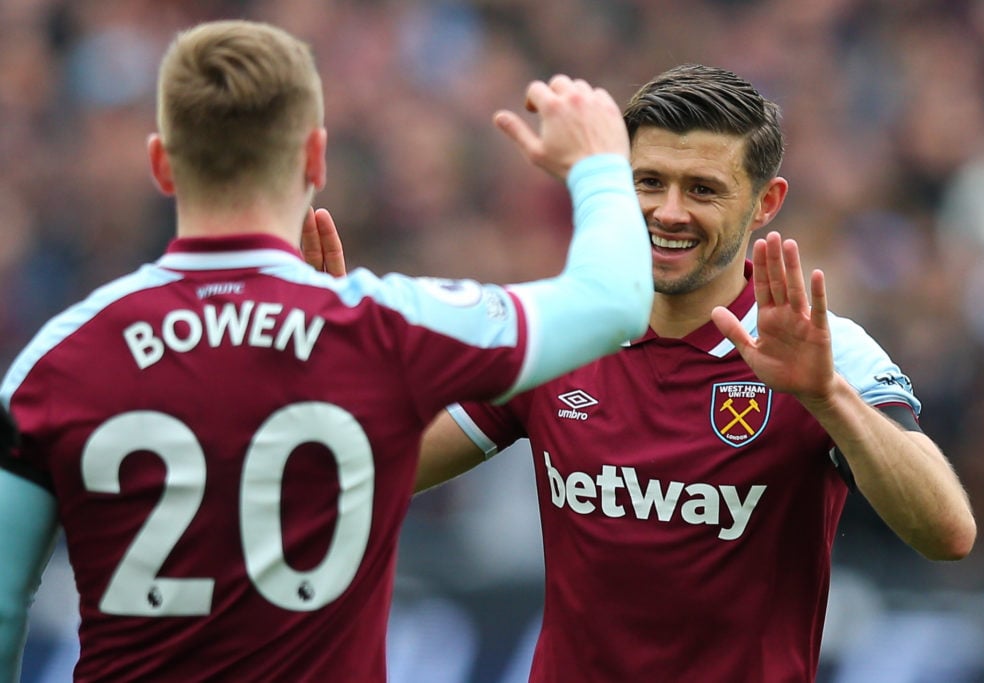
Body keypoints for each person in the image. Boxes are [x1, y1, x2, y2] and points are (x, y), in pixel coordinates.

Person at [0, 19, 655, 683]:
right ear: (315, 157)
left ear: (162, 164)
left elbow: (1, 600)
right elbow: (615, 302)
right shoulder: (386, 328)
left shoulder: (54, 361)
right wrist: (599, 165)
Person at [307, 63, 977, 682]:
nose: (669, 211)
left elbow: (949, 533)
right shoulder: (562, 332)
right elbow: (359, 470)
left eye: (704, 189)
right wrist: (331, 364)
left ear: (766, 202)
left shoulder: (821, 351)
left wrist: (826, 395)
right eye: (649, 181)